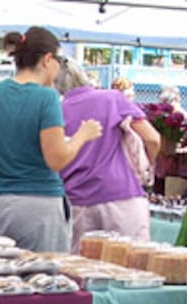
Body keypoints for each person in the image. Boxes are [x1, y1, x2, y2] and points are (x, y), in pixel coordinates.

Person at [0, 26, 102, 253]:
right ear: (48, 59)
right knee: (44, 278)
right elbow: (56, 159)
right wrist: (81, 136)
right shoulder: (46, 98)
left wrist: (7, 147)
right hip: (38, 203)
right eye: (60, 60)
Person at [55, 59, 161, 253]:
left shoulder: (54, 111)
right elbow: (152, 139)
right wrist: (146, 166)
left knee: (81, 272)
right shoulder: (113, 98)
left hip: (76, 200)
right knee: (132, 267)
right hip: (121, 195)